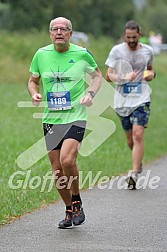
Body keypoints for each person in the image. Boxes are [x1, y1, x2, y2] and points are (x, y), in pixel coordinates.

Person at [28, 17, 102, 228]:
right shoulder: (41, 55)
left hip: (75, 116)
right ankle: (69, 210)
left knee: (68, 160)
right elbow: (33, 80)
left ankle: (77, 201)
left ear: (70, 33)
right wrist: (34, 93)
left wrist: (90, 94)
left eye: (63, 29)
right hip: (51, 118)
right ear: (50, 33)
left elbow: (97, 77)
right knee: (58, 170)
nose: (59, 32)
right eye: (55, 29)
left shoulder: (81, 54)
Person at [105, 20, 156, 189]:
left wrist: (150, 75)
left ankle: (134, 173)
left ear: (139, 35)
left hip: (141, 98)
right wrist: (123, 78)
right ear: (124, 36)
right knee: (129, 139)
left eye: (134, 37)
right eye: (128, 37)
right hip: (122, 100)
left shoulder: (148, 51)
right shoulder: (116, 51)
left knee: (138, 135)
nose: (131, 40)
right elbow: (108, 76)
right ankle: (138, 161)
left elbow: (150, 69)